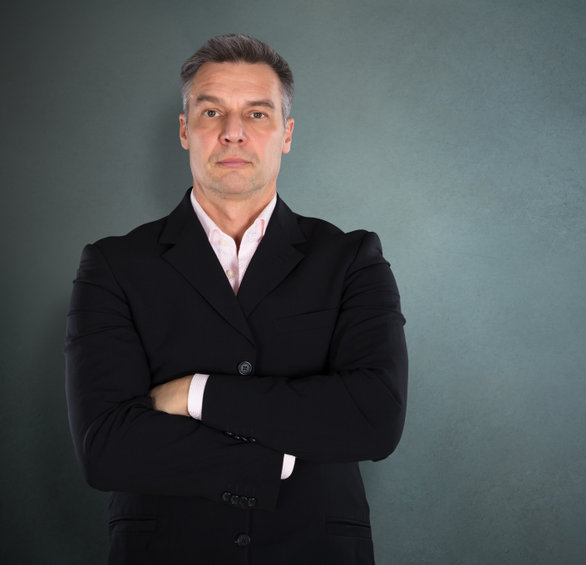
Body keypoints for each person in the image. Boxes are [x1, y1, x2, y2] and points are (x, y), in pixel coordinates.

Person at [65, 34, 407, 565]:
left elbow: (374, 418)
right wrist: (273, 459)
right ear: (185, 130)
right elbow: (106, 448)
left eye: (256, 114)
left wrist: (194, 394)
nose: (232, 132)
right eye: (211, 112)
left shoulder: (351, 258)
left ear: (286, 134)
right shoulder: (113, 264)